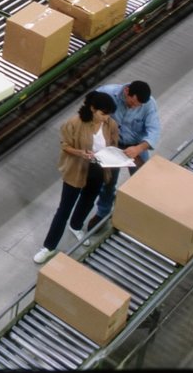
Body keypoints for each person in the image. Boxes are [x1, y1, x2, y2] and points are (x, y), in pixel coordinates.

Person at [33, 90, 119, 264]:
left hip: (98, 169)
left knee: (88, 200)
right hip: (77, 169)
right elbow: (64, 145)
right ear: (93, 109)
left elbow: (113, 145)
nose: (105, 118)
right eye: (103, 114)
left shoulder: (110, 124)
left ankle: (76, 225)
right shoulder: (74, 123)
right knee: (64, 209)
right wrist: (81, 153)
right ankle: (49, 247)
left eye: (108, 114)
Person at [86, 80, 161, 229]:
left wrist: (138, 149)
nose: (134, 107)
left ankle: (137, 212)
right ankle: (103, 212)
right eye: (132, 103)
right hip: (112, 146)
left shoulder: (149, 105)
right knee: (108, 182)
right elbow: (88, 109)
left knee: (142, 180)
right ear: (127, 91)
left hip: (135, 147)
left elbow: (154, 131)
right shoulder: (107, 93)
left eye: (137, 106)